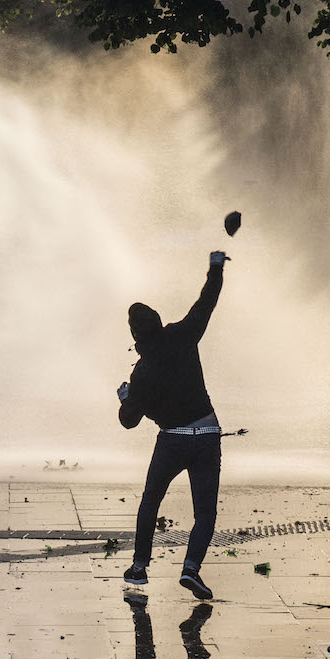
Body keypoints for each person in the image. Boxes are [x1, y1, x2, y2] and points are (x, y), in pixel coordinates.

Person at [118, 251, 228, 600]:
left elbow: (129, 421)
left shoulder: (142, 372)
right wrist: (214, 267)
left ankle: (139, 568)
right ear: (160, 321)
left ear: (135, 334)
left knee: (151, 501)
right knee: (205, 512)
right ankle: (191, 568)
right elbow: (206, 303)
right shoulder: (183, 334)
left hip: (173, 442)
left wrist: (126, 398)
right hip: (207, 433)